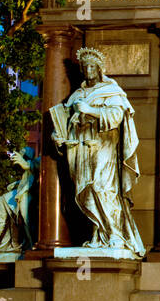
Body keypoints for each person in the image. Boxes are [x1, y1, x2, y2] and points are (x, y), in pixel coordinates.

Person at [51, 48, 144, 258]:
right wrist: (58, 136)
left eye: (92, 66)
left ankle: (116, 235)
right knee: (86, 191)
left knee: (103, 188)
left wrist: (89, 110)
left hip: (103, 145)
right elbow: (65, 121)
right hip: (80, 147)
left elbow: (117, 115)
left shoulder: (110, 90)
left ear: (100, 69)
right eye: (85, 66)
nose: (88, 70)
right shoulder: (77, 95)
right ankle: (99, 234)